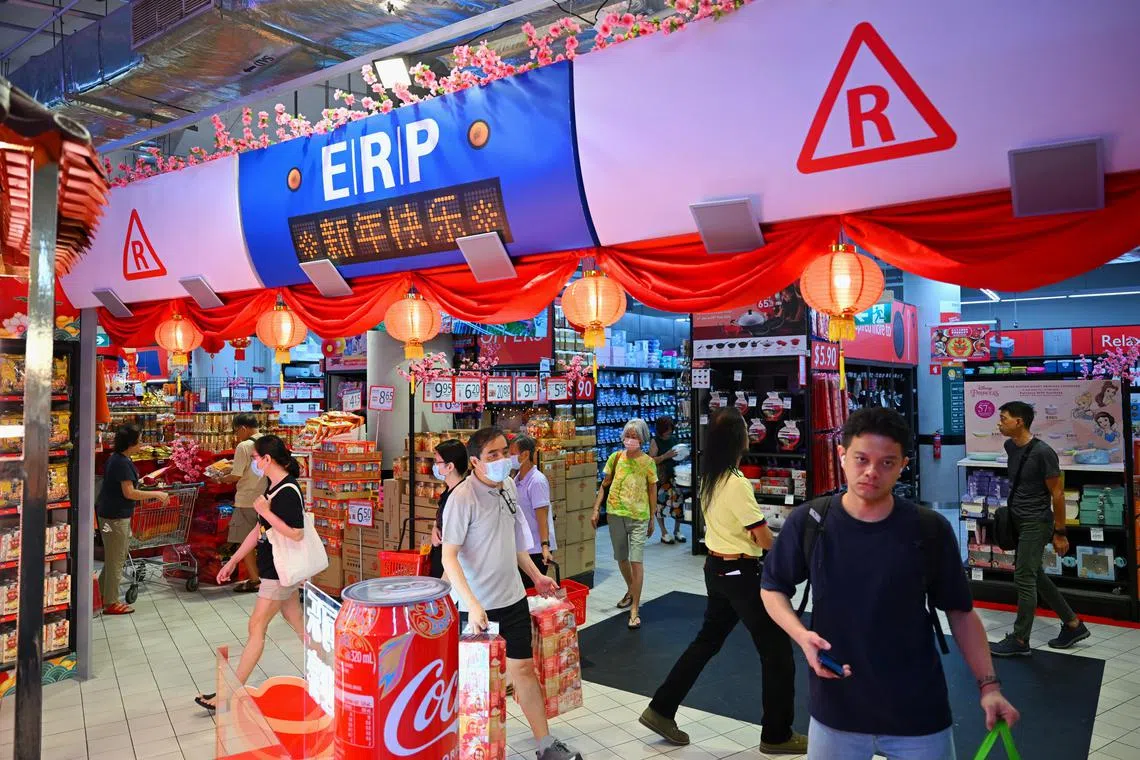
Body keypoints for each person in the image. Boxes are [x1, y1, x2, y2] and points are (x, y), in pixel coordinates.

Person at [761, 408, 1020, 759]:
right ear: (841, 456)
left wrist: (989, 686)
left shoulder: (928, 529)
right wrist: (801, 635)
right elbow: (773, 587)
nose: (871, 472)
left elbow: (960, 612)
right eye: (861, 459)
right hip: (836, 707)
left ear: (903, 465)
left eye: (887, 462)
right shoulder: (811, 521)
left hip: (917, 711)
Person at [640, 409, 805, 755]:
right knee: (776, 652)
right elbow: (760, 537)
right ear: (737, 439)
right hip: (741, 575)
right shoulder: (736, 483)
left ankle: (661, 708)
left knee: (707, 641)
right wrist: (788, 549)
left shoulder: (710, 477)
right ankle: (776, 735)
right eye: (745, 429)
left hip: (717, 570)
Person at [441, 426, 582, 760]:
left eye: (505, 451)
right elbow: (449, 556)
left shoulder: (508, 487)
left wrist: (536, 576)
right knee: (475, 683)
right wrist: (473, 605)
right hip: (476, 610)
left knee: (523, 671)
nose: (503, 459)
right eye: (493, 454)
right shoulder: (461, 499)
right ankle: (468, 748)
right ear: (474, 461)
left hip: (513, 599)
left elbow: (515, 542)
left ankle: (545, 745)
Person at [196, 435, 307, 711]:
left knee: (256, 627)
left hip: (278, 572)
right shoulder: (273, 487)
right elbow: (259, 531)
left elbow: (296, 533)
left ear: (267, 459)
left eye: (256, 458)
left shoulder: (288, 491)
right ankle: (339, 667)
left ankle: (226, 695)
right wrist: (232, 561)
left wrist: (266, 513)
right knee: (299, 625)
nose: (254, 462)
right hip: (279, 570)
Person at [990, 401, 1090, 656]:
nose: (999, 422)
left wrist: (1060, 532)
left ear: (1019, 421)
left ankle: (1021, 640)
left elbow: (1057, 494)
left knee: (1023, 576)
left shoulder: (1044, 452)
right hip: (1017, 519)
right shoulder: (1010, 446)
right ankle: (1073, 624)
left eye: (1003, 418)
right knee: (1035, 574)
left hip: (1037, 522)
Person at [97, 424, 170, 615]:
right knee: (116, 559)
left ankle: (101, 596)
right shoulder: (121, 463)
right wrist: (156, 494)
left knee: (114, 557)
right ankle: (110, 603)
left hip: (109, 515)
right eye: (140, 440)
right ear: (131, 443)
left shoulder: (117, 458)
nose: (142, 443)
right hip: (115, 517)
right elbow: (128, 493)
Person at [592, 419, 657, 630]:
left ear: (642, 438)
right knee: (621, 558)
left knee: (636, 561)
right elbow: (604, 485)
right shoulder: (615, 457)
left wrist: (652, 517)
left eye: (635, 436)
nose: (630, 440)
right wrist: (595, 509)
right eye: (628, 436)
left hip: (639, 517)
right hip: (614, 514)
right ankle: (631, 590)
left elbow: (652, 490)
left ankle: (635, 609)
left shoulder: (648, 462)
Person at [214, 413, 266, 593]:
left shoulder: (244, 446)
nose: (236, 436)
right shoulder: (269, 441)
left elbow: (236, 476)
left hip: (246, 501)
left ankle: (255, 580)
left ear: (243, 428)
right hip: (265, 500)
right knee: (267, 541)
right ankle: (269, 577)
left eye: (236, 431)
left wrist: (219, 479)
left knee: (246, 543)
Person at [511, 434, 556, 586]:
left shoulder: (537, 481)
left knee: (532, 591)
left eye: (511, 454)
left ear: (524, 455)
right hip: (523, 548)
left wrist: (545, 547)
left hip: (536, 549)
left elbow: (542, 517)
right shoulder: (516, 480)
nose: (508, 458)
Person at [428, 439, 470, 579]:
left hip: (451, 568)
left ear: (450, 466)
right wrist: (435, 528)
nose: (434, 466)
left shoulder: (461, 496)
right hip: (440, 558)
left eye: (437, 462)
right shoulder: (448, 491)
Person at [648, 416, 685, 545]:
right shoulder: (655, 441)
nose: (669, 432)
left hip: (675, 476)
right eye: (667, 429)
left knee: (678, 503)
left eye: (671, 429)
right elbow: (651, 460)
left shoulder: (674, 439)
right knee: (661, 505)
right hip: (662, 478)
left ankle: (677, 531)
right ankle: (664, 533)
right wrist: (666, 456)